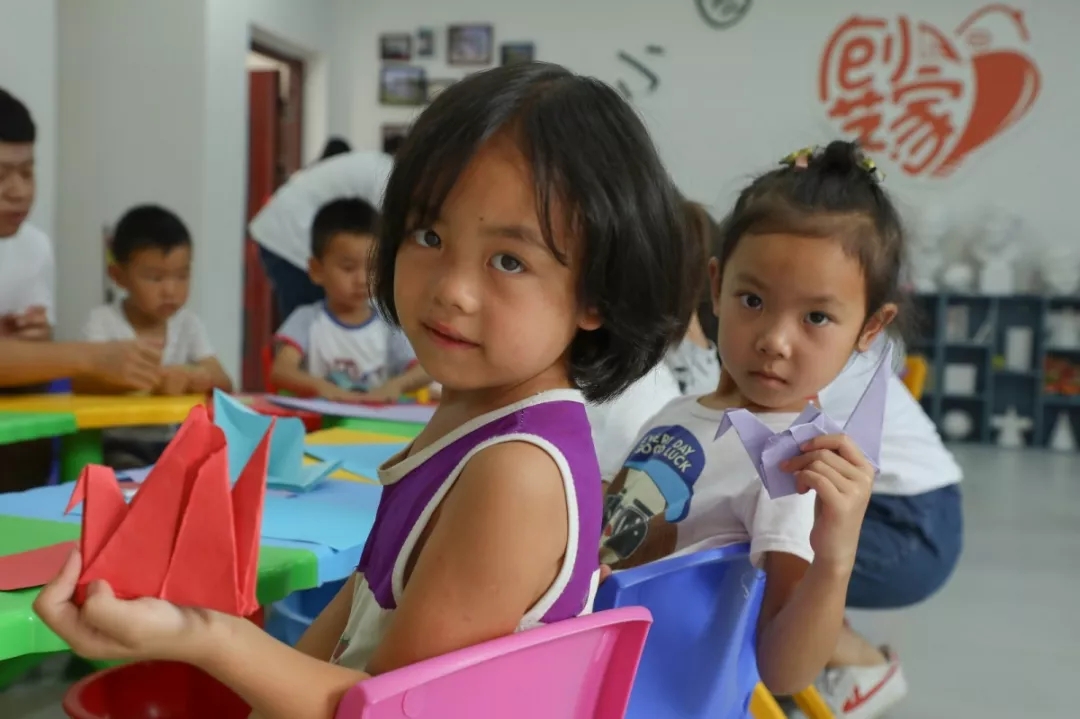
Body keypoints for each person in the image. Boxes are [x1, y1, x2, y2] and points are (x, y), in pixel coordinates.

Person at [34, 61, 698, 719]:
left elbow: (386, 710)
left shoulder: (515, 473)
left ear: (596, 294)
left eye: (508, 260)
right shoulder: (472, 416)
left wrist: (203, 636)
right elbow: (354, 614)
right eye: (429, 235)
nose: (451, 289)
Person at [599, 142, 909, 709]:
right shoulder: (680, 411)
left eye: (816, 316)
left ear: (869, 328)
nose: (774, 339)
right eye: (752, 299)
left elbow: (785, 671)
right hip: (602, 684)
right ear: (716, 286)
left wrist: (835, 557)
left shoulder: (791, 464)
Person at [808, 333, 963, 718]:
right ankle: (813, 647)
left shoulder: (812, 363)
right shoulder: (827, 343)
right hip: (917, 509)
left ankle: (861, 665)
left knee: (757, 564)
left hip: (909, 529)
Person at [270, 198, 429, 401]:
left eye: (372, 269)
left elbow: (425, 369)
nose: (362, 280)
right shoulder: (307, 320)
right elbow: (281, 371)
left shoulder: (388, 325)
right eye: (348, 268)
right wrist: (320, 387)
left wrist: (396, 385)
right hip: (322, 418)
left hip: (374, 419)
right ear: (317, 270)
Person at [79, 205, 233, 395]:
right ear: (118, 276)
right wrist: (153, 381)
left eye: (182, 276)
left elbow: (225, 382)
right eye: (155, 278)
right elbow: (83, 382)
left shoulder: (188, 324)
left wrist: (199, 377)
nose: (170, 291)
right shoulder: (102, 321)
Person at [250, 149, 394, 320]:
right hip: (289, 239)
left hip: (285, 231)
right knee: (312, 325)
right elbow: (389, 245)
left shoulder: (384, 168)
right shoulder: (387, 177)